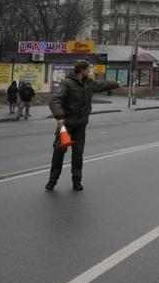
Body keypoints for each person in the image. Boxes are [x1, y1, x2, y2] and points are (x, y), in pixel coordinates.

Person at [45, 60, 119, 191]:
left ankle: (77, 181)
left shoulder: (89, 83)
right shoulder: (66, 83)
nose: (89, 71)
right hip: (66, 125)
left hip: (81, 125)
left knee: (78, 153)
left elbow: (103, 84)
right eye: (88, 69)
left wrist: (116, 84)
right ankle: (52, 180)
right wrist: (60, 116)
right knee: (59, 151)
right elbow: (55, 100)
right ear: (82, 70)